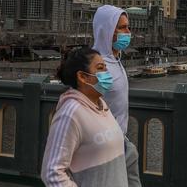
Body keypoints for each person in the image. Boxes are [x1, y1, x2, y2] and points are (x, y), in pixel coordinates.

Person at [41, 47, 127, 187]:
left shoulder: (102, 106)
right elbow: (52, 173)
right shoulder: (70, 114)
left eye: (106, 67)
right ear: (82, 77)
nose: (107, 73)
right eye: (100, 68)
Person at [92, 5, 141, 187]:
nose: (128, 32)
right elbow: (84, 103)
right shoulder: (97, 65)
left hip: (121, 143)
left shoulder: (115, 60)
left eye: (128, 27)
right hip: (103, 147)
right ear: (106, 30)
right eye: (122, 27)